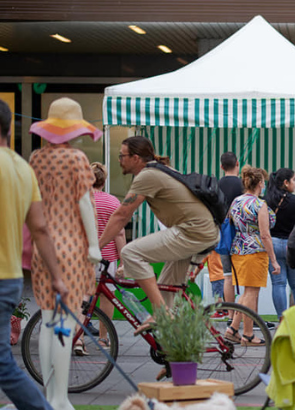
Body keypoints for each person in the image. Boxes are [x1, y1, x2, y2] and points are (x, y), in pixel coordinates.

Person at [29, 97, 102, 410]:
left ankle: (49, 395)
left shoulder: (35, 159)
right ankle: (60, 398)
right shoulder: (76, 159)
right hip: (71, 246)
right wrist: (95, 245)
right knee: (65, 322)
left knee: (48, 321)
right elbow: (85, 203)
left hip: (41, 248)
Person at [99, 136, 219, 320]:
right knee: (165, 290)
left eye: (122, 156)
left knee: (130, 253)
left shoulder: (148, 175)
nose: (119, 160)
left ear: (136, 158)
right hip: (202, 230)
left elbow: (121, 215)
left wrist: (96, 247)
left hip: (193, 232)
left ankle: (163, 314)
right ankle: (169, 340)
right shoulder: (160, 170)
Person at [0, 99, 67, 410]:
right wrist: (56, 276)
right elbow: (39, 228)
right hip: (10, 278)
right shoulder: (22, 168)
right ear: (9, 128)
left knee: (4, 365)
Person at [224, 166, 278, 345]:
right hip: (255, 250)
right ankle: (235, 329)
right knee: (250, 293)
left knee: (248, 293)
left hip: (238, 249)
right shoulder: (259, 205)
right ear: (260, 183)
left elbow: (232, 223)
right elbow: (265, 234)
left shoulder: (236, 202)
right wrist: (274, 260)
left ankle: (246, 332)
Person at [90, 162, 127, 350]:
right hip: (108, 258)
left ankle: (77, 339)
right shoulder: (113, 202)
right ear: (104, 180)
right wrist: (123, 261)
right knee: (107, 297)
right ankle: (103, 339)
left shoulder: (81, 200)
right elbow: (119, 234)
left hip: (85, 256)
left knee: (82, 295)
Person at [265, 168, 295, 319]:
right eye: (294, 179)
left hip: (273, 244)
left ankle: (282, 319)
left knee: (278, 284)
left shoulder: (267, 200)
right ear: (286, 182)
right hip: (292, 245)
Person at [218, 152, 242, 311]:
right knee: (245, 278)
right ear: (237, 164)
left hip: (223, 234)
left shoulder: (216, 184)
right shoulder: (242, 185)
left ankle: (231, 315)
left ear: (221, 167)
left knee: (227, 276)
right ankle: (247, 316)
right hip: (241, 235)